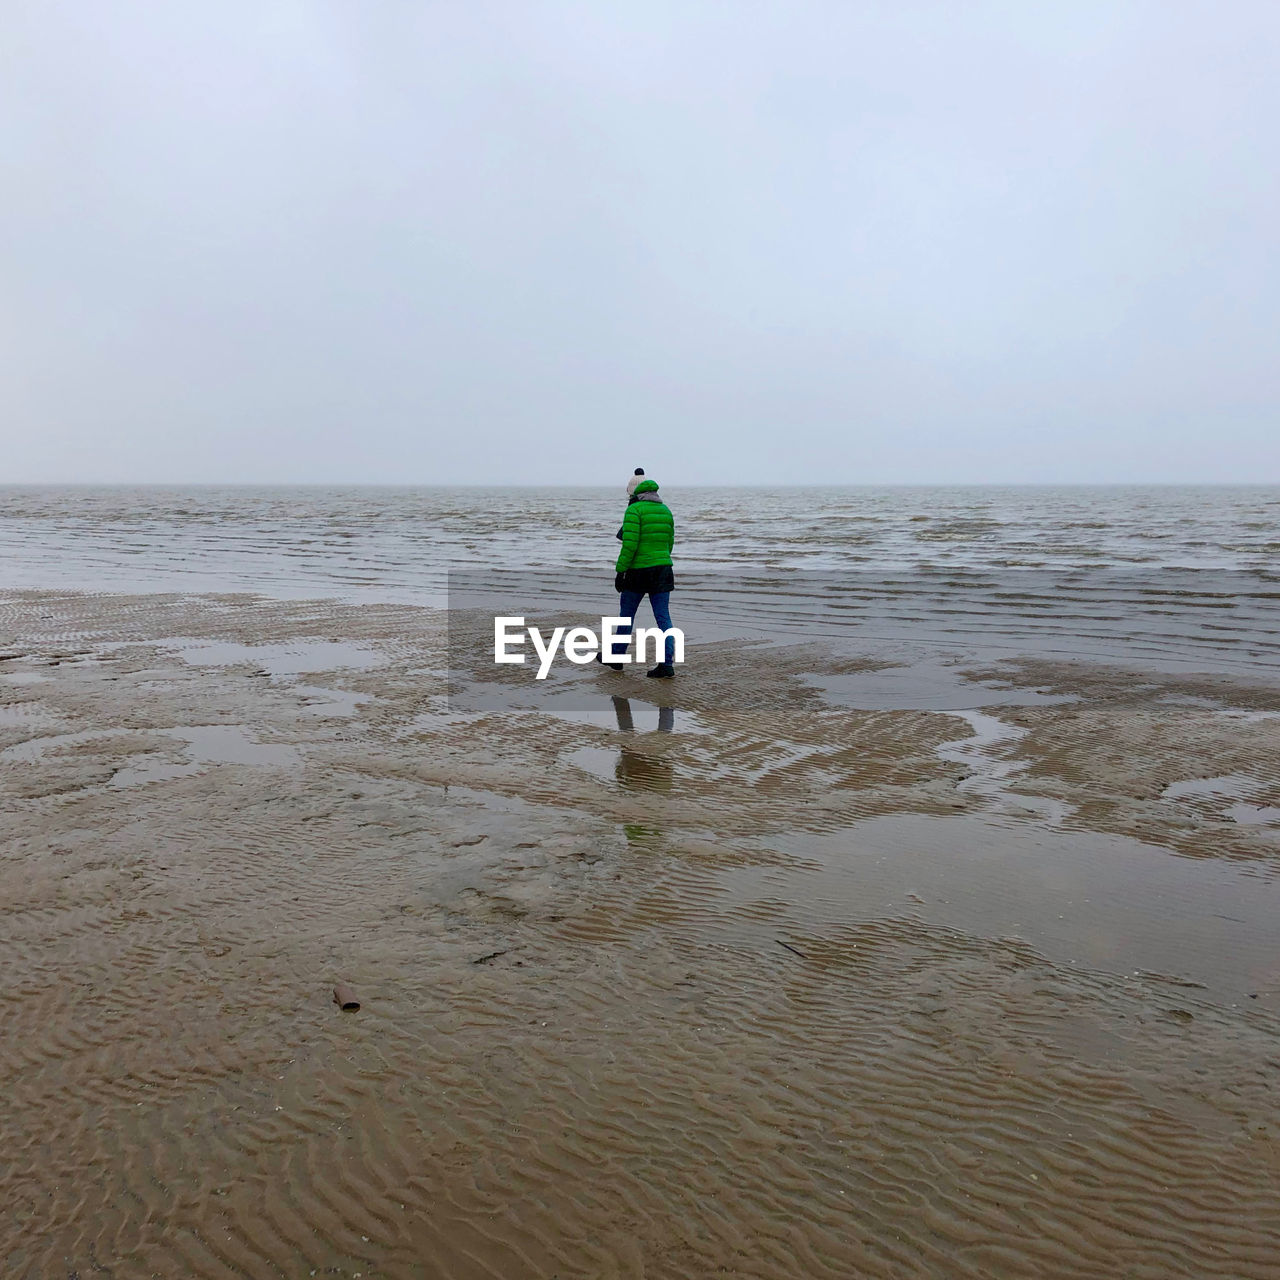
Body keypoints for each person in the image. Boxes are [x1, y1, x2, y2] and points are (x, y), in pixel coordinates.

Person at [602, 477, 677, 678]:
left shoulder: (634, 510)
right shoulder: (666, 510)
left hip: (638, 571)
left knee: (627, 615)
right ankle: (667, 664)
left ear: (636, 494)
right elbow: (669, 543)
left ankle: (617, 657)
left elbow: (630, 544)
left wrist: (620, 570)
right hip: (662, 570)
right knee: (663, 618)